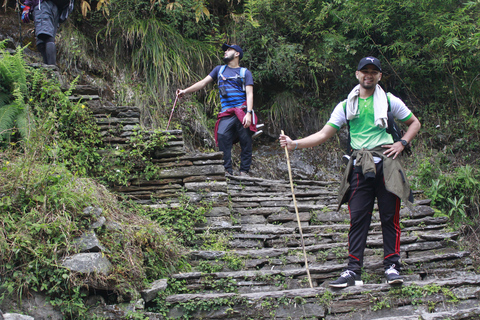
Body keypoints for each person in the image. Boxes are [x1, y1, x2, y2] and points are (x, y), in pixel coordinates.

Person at [280, 56, 421, 287]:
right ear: (357, 75)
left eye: (373, 71)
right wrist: (294, 143)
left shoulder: (388, 100)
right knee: (357, 219)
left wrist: (402, 143)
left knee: (390, 217)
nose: (369, 75)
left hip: (387, 164)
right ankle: (353, 270)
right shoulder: (346, 105)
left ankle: (392, 266)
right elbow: (324, 134)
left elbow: (414, 123)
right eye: (364, 71)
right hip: (358, 167)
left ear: (379, 76)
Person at [177, 43, 257, 176]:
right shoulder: (219, 70)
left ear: (237, 54)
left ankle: (244, 171)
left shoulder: (245, 72)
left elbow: (250, 94)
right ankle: (227, 170)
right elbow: (202, 83)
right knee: (222, 136)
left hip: (242, 111)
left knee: (246, 140)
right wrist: (185, 91)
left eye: (229, 50)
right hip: (226, 112)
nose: (225, 52)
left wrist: (249, 113)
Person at [21, 0, 65, 65]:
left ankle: (51, 69)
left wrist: (27, 5)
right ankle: (48, 68)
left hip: (42, 7)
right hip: (55, 9)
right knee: (41, 41)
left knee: (47, 37)